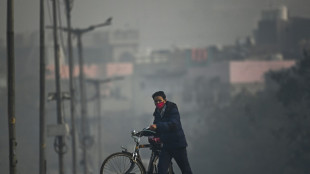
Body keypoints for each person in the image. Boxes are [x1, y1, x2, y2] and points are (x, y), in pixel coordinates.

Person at [149, 91, 193, 174]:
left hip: (178, 144)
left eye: (160, 100)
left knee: (185, 170)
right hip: (166, 146)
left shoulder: (172, 108)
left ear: (165, 100)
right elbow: (156, 128)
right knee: (161, 169)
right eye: (156, 101)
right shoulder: (157, 112)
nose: (158, 103)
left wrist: (157, 126)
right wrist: (148, 132)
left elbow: (174, 124)